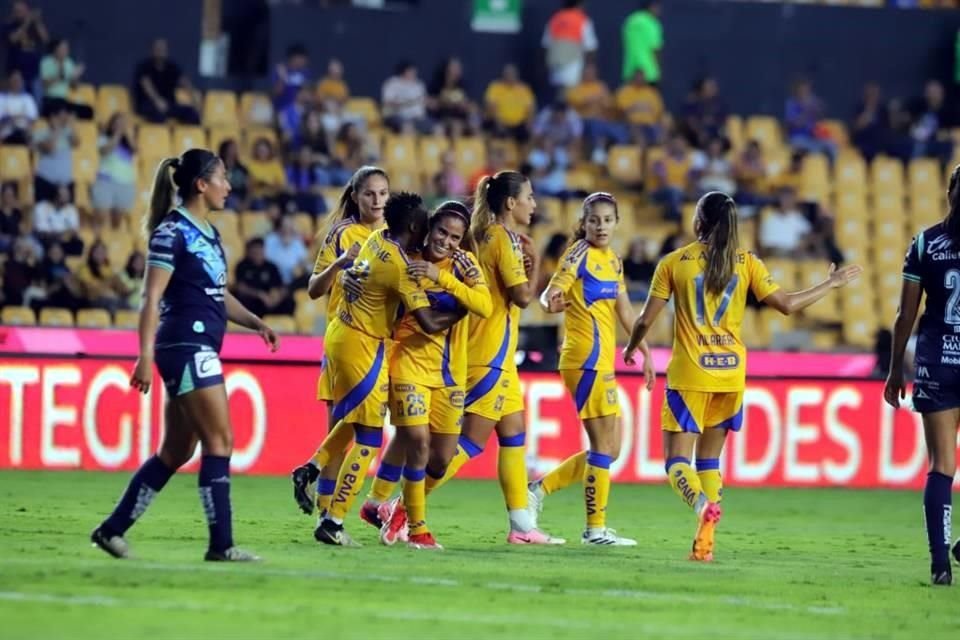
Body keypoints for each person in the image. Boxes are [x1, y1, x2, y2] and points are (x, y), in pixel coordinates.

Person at [623, 191, 861, 562]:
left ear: (698, 222)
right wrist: (828, 285)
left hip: (690, 374)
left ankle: (702, 505)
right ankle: (705, 545)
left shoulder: (674, 262)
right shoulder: (747, 262)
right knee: (710, 463)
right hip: (731, 376)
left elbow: (644, 320)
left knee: (676, 462)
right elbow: (786, 305)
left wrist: (633, 346)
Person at [90, 149, 280, 562]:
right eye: (223, 178)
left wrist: (255, 321)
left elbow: (215, 292)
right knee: (220, 440)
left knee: (177, 451)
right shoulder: (171, 231)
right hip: (185, 345)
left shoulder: (207, 232)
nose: (229, 186)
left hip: (198, 345)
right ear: (201, 184)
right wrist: (142, 356)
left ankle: (111, 530)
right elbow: (151, 295)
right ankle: (222, 546)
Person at [396, 171, 563, 545]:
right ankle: (402, 507)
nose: (534, 205)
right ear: (510, 203)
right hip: (490, 353)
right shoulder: (505, 240)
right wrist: (535, 265)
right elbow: (522, 297)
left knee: (514, 432)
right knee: (468, 443)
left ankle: (521, 524)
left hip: (490, 351)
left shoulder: (483, 235)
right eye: (530, 198)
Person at [311, 192, 465, 547]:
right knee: (369, 438)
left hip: (347, 337)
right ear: (415, 225)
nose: (434, 232)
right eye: (429, 223)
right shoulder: (402, 265)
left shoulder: (376, 238)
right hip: (368, 346)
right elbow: (428, 321)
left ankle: (312, 468)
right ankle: (334, 521)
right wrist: (463, 306)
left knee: (352, 425)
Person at [360, 201, 493, 549]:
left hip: (450, 373)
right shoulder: (409, 260)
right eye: (441, 232)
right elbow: (442, 317)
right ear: (429, 229)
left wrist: (442, 278)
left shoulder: (464, 264)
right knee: (416, 440)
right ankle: (418, 528)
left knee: (440, 459)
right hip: (408, 364)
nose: (446, 242)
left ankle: (391, 507)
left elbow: (486, 305)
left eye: (454, 237)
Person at [529, 193, 655, 545]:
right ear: (583, 223)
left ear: (617, 222)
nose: (600, 226)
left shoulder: (613, 260)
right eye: (594, 220)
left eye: (607, 220)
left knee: (610, 450)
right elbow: (549, 293)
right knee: (602, 445)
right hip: (583, 358)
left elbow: (626, 313)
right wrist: (550, 303)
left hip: (603, 360)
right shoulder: (578, 253)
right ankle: (594, 530)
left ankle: (539, 489)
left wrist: (642, 351)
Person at [289, 166, 389, 517]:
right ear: (355, 197)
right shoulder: (344, 234)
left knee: (346, 432)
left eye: (382, 194)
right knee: (347, 429)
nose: (377, 201)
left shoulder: (394, 236)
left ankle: (324, 503)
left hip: (378, 345)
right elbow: (315, 288)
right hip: (346, 341)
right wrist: (339, 268)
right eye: (369, 194)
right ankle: (329, 513)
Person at [884, 164, 960, 586]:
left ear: (950, 193)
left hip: (937, 363)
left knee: (942, 466)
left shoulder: (926, 243)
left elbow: (904, 316)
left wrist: (896, 369)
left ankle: (940, 564)